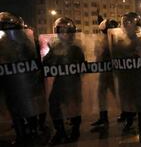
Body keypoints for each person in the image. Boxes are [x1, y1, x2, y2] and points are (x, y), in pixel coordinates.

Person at [0, 12, 46, 145]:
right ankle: (25, 134)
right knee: (16, 110)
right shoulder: (4, 43)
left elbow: (37, 62)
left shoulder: (27, 43)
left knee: (25, 108)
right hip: (11, 82)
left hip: (25, 82)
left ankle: (30, 133)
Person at [109, 12, 141, 143]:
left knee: (140, 105)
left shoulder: (140, 40)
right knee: (127, 102)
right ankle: (129, 122)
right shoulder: (118, 42)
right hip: (125, 78)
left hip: (138, 78)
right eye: (124, 22)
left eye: (129, 22)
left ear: (136, 25)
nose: (126, 25)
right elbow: (114, 58)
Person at [43, 17, 85, 145]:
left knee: (74, 106)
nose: (63, 34)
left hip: (73, 82)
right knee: (54, 104)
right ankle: (60, 131)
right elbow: (46, 64)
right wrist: (51, 52)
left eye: (66, 31)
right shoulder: (55, 47)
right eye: (60, 30)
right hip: (59, 82)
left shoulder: (76, 49)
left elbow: (81, 66)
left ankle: (75, 130)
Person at [91, 19, 118, 129]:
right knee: (103, 95)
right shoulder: (106, 40)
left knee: (115, 94)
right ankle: (103, 117)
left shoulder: (112, 41)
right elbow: (97, 55)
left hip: (110, 72)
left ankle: (128, 113)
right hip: (106, 72)